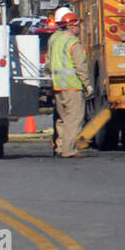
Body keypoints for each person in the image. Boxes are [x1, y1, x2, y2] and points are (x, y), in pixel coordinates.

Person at [48, 9, 91, 159]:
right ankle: (68, 150)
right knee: (74, 118)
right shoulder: (73, 43)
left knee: (63, 118)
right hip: (72, 86)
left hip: (58, 86)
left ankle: (60, 147)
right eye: (78, 26)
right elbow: (81, 66)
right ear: (72, 26)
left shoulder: (54, 40)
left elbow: (48, 63)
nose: (79, 29)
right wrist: (88, 85)